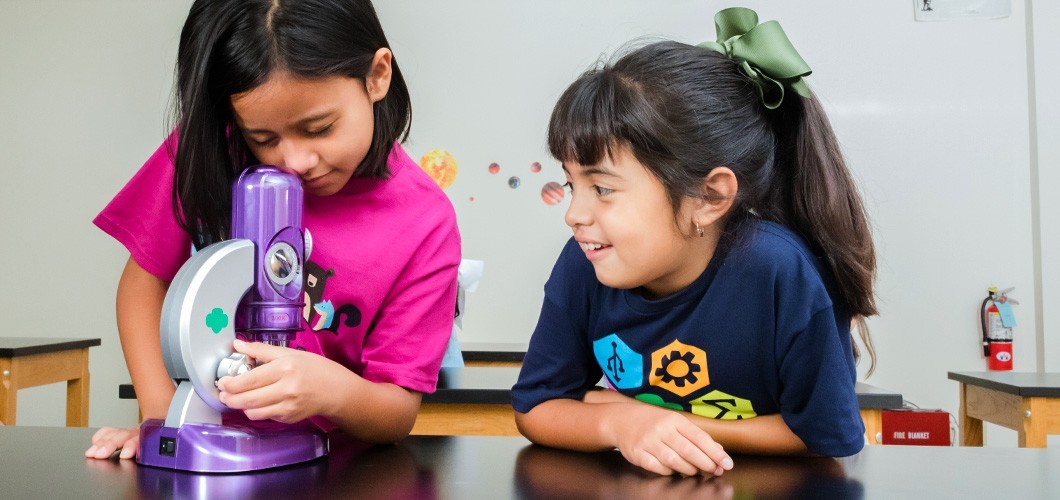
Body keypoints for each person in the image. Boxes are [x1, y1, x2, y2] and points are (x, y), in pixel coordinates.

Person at [86, 0, 460, 460]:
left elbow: (397, 412)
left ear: (377, 75)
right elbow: (145, 282)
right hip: (208, 455)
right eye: (263, 139)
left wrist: (332, 392)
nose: (295, 163)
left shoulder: (425, 221)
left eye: (319, 128)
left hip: (330, 469)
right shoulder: (209, 149)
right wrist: (164, 428)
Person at [512, 7, 877, 477]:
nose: (574, 215)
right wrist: (619, 424)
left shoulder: (780, 272)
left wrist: (660, 422)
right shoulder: (586, 262)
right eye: (571, 185)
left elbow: (822, 436)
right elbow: (537, 407)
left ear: (708, 197)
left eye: (602, 188)